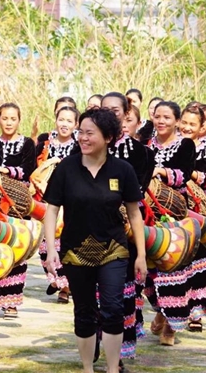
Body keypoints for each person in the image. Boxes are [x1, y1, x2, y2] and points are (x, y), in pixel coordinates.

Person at [43, 108, 147, 373]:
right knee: (84, 311)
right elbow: (52, 210)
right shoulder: (66, 168)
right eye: (81, 132)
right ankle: (88, 368)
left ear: (108, 137)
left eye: (90, 133)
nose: (83, 138)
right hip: (75, 251)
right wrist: (51, 250)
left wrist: (142, 256)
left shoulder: (122, 170)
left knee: (113, 309)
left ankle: (113, 368)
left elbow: (135, 214)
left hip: (114, 249)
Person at [102, 92, 155, 364]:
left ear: (126, 113)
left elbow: (136, 195)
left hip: (125, 231)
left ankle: (117, 355)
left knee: (120, 292)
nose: (111, 115)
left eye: (116, 110)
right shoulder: (85, 146)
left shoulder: (142, 153)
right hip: (89, 231)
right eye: (105, 110)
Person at [145, 101, 196, 346]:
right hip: (147, 212)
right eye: (158, 116)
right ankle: (160, 310)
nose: (161, 121)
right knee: (148, 272)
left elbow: (184, 175)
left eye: (167, 117)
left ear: (176, 121)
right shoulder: (146, 144)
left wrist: (161, 172)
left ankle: (172, 326)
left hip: (174, 212)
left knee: (172, 269)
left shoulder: (186, 145)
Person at [177, 104, 206, 333]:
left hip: (200, 209)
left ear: (202, 126)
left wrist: (189, 172)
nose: (187, 127)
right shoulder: (169, 145)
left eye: (192, 124)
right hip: (169, 210)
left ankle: (196, 310)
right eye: (184, 122)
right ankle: (170, 314)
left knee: (201, 261)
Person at [0, 103, 37, 318]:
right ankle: (0, 298)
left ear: (19, 121)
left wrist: (7, 171)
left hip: (18, 204)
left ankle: (13, 302)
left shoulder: (27, 143)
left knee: (18, 249)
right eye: (4, 118)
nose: (8, 122)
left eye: (13, 119)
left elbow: (29, 170)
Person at [36, 106, 80, 304]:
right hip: (46, 199)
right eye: (61, 119)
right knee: (45, 247)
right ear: (56, 120)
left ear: (76, 124)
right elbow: (34, 169)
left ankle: (64, 287)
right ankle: (55, 280)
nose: (65, 124)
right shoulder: (45, 144)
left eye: (69, 121)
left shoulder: (79, 146)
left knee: (65, 245)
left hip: (70, 201)